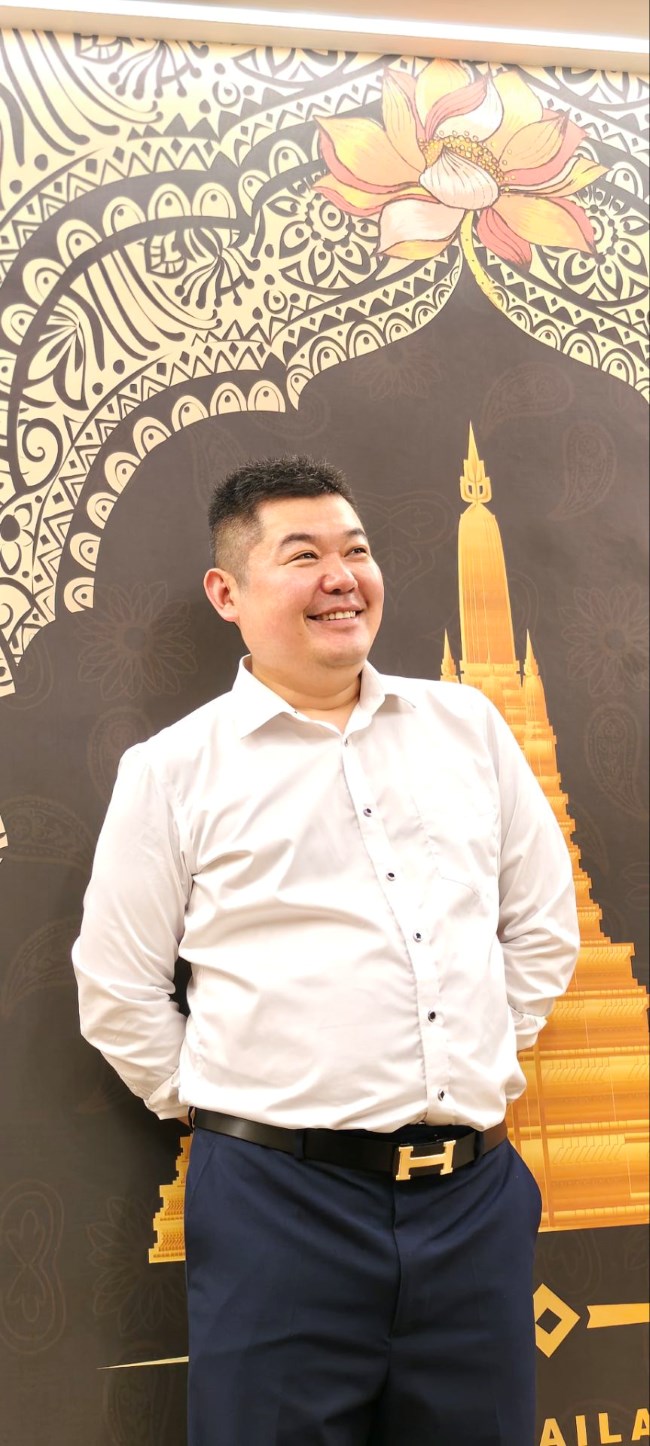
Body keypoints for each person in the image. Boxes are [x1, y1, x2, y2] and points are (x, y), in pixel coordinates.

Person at [73, 454, 579, 1446]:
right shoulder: (173, 771)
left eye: (356, 550)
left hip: (471, 1206)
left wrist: (474, 1051)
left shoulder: (466, 727)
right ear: (227, 592)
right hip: (279, 1211)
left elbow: (540, 924)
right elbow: (118, 987)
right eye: (302, 556)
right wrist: (237, 1107)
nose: (342, 578)